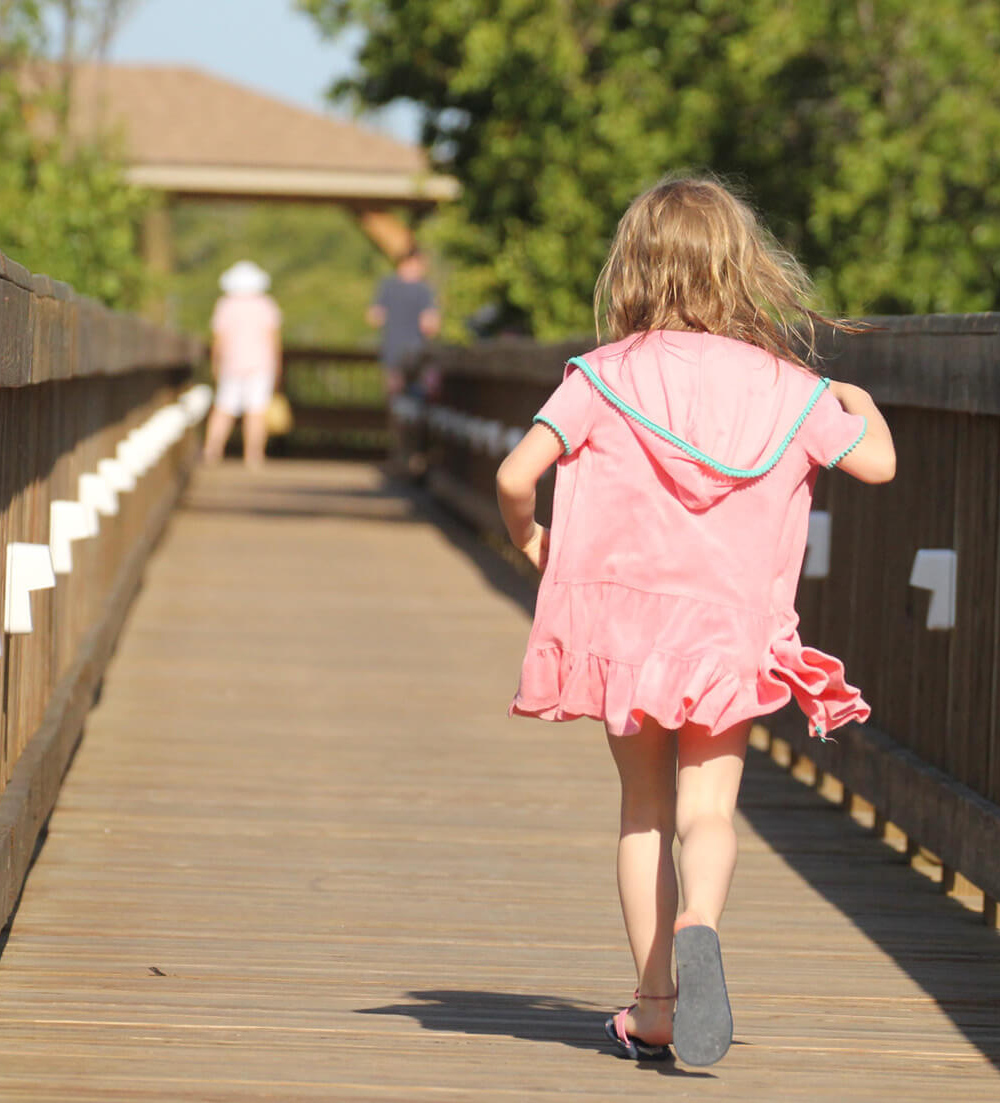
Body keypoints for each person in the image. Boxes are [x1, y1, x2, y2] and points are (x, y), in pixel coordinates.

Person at [493, 175, 897, 1068]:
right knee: (709, 809)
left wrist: (537, 549)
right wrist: (859, 405)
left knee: (644, 809)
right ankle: (700, 922)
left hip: (628, 637)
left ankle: (655, 1005)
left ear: (634, 268)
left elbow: (516, 477)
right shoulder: (791, 389)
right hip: (730, 633)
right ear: (743, 270)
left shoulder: (602, 376)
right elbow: (875, 466)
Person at [202, 260, 282, 470]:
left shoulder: (225, 305)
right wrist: (278, 365)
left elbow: (219, 339)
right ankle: (254, 455)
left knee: (223, 408)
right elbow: (273, 338)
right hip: (261, 364)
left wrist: (215, 363)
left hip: (231, 363)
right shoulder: (266, 304)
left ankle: (212, 450)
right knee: (256, 411)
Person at [367, 249, 441, 397]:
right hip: (416, 352)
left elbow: (374, 317)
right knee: (417, 396)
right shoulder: (423, 289)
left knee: (394, 395)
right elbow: (430, 324)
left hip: (391, 349)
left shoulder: (387, 286)